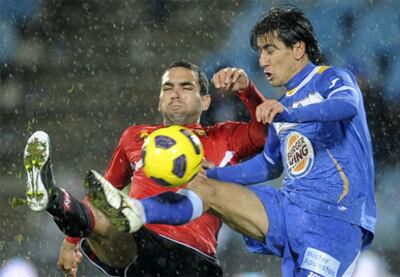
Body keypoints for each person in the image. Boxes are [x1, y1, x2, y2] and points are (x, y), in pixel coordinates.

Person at [87, 7, 377, 277]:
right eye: (260, 51)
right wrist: (211, 172)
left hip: (335, 221)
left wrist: (290, 113)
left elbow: (347, 106)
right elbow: (268, 165)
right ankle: (135, 211)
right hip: (289, 209)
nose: (262, 60)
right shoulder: (282, 104)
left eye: (270, 50)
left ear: (298, 48)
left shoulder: (333, 79)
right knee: (203, 186)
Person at [23, 60, 268, 276]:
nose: (175, 94)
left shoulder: (225, 137)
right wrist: (71, 241)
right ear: (160, 102)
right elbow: (101, 193)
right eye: (167, 88)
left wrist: (247, 90)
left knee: (116, 218)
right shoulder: (135, 137)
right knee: (108, 212)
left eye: (186, 87)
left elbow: (267, 133)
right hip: (139, 245)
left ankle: (60, 203)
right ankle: (53, 198)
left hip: (194, 258)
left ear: (205, 101)